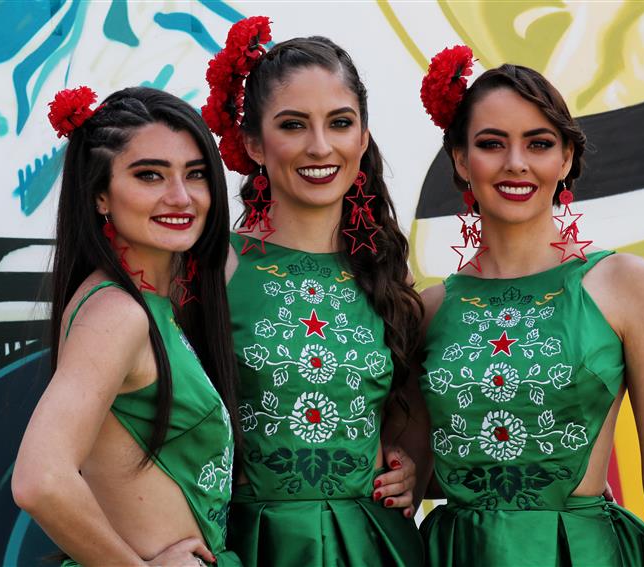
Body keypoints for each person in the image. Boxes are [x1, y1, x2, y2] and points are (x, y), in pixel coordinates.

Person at [416, 47, 644, 566]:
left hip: (580, 553)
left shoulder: (627, 284)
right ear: (460, 159)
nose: (516, 162)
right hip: (457, 553)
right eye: (491, 143)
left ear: (565, 158)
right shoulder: (429, 309)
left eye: (538, 143)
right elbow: (424, 457)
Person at [201, 17, 427, 567]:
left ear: (363, 136)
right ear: (254, 143)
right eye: (294, 125)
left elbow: (406, 420)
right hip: (253, 543)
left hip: (373, 545)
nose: (320, 146)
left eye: (340, 122)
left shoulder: (387, 271)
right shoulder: (212, 268)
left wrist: (410, 470)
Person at [12, 86, 242, 566]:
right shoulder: (119, 314)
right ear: (100, 195)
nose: (180, 197)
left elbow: (226, 257)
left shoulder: (147, 300)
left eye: (195, 174)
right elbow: (40, 479)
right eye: (149, 175)